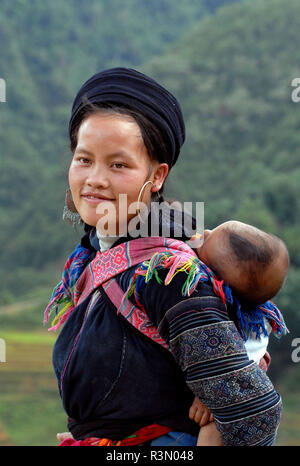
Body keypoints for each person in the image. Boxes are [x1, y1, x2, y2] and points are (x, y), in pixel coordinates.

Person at [45, 67, 285, 447]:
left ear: (156, 177)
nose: (94, 178)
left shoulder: (168, 276)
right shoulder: (92, 258)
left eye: (118, 164)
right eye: (84, 159)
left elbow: (253, 412)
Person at [187, 221, 289, 445]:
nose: (204, 233)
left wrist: (212, 394)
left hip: (233, 393)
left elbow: (240, 364)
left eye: (209, 238)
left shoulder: (253, 323)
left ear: (220, 284)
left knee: (215, 429)